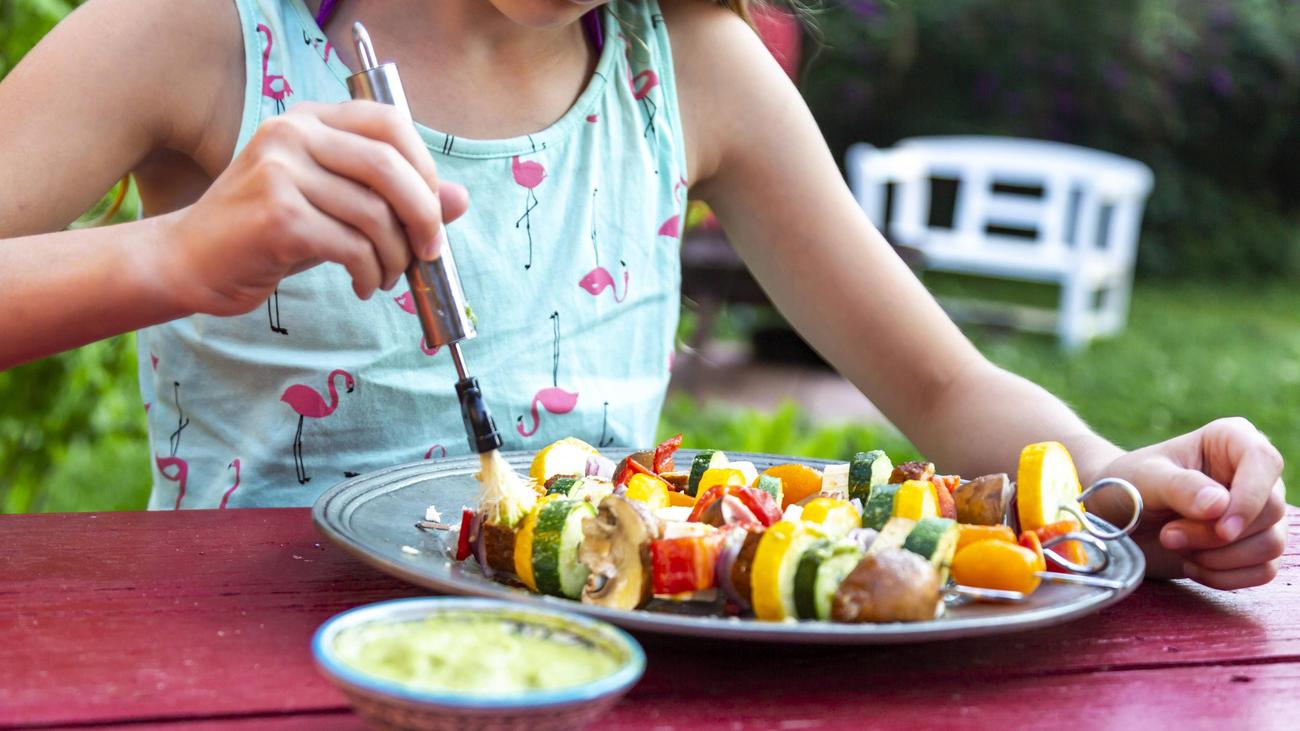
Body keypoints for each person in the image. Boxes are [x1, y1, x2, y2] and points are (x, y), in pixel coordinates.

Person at [0, 0, 1286, 590]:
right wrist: (167, 258)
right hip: (251, 661)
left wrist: (1122, 480)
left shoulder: (694, 67)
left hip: (613, 656)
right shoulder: (193, 32)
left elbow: (945, 384)